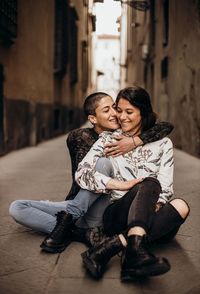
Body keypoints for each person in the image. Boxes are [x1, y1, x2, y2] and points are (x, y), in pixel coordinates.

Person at [9, 91, 174, 253]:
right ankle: (77, 232)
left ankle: (69, 225)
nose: (117, 115)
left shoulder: (150, 140)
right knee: (17, 207)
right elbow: (82, 173)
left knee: (175, 208)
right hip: (81, 202)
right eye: (108, 110)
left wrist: (137, 140)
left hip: (104, 208)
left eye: (115, 108)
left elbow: (164, 126)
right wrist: (120, 184)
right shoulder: (83, 136)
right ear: (93, 119)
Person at [73, 86, 190, 281]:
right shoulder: (108, 139)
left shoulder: (163, 144)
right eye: (119, 110)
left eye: (129, 112)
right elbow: (82, 173)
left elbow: (166, 188)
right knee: (150, 182)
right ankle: (134, 251)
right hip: (117, 213)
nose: (122, 117)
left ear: (143, 113)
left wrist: (154, 206)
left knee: (181, 206)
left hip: (150, 211)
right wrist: (119, 185)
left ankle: (115, 247)